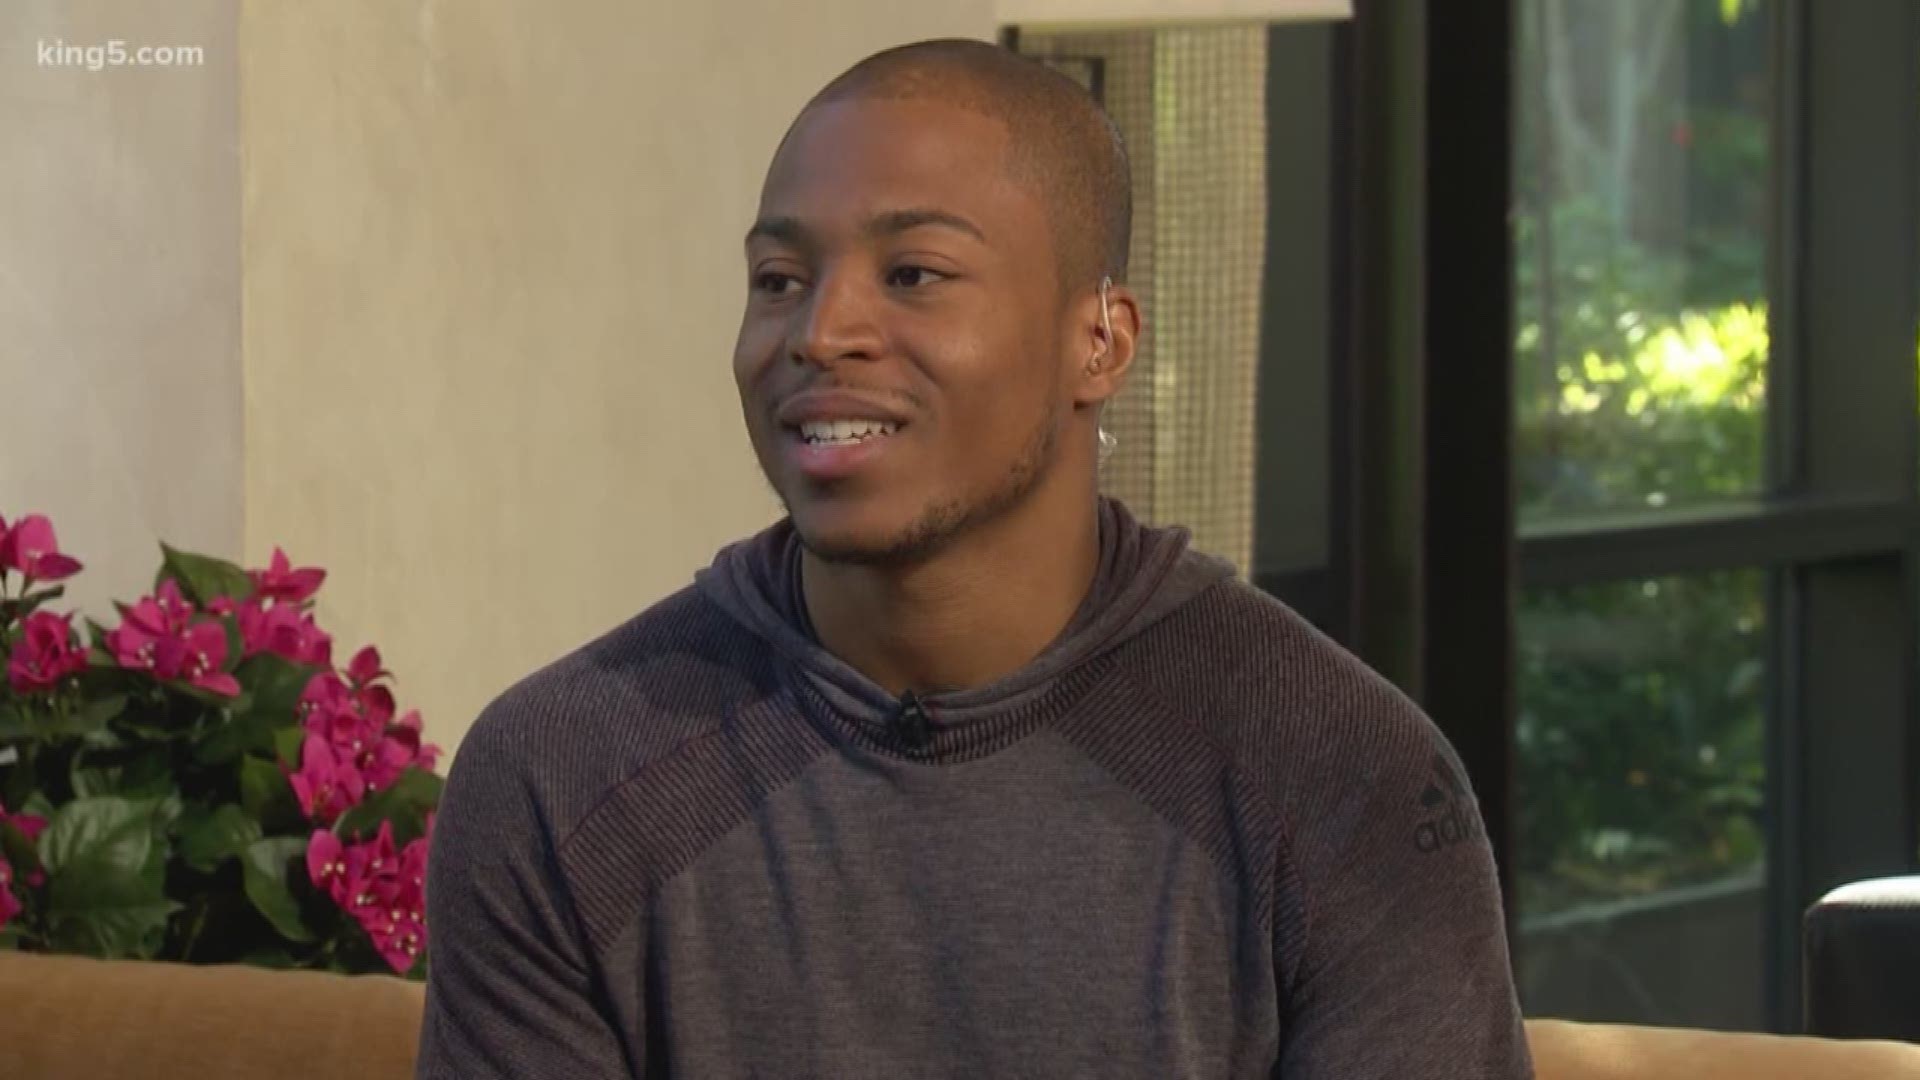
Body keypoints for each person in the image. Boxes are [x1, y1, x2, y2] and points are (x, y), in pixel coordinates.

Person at [419, 37, 1533, 1080]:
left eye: (913, 275)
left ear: (1098, 341)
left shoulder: (1339, 772)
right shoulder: (561, 771)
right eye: (777, 280)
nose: (819, 332)